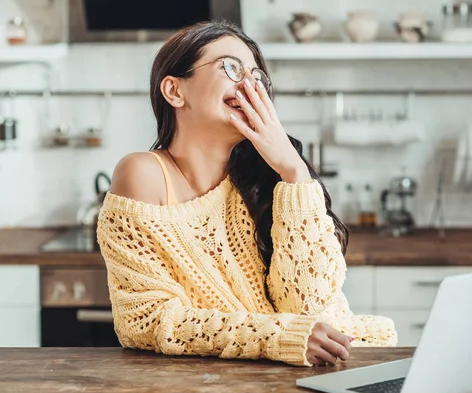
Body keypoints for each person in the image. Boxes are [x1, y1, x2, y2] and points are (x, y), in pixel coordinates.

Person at [96, 20, 397, 367]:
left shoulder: (273, 179)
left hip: (333, 365)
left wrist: (294, 171)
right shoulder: (143, 174)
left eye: (257, 76)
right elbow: (147, 321)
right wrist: (279, 337)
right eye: (231, 67)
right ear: (175, 91)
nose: (250, 84)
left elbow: (310, 308)